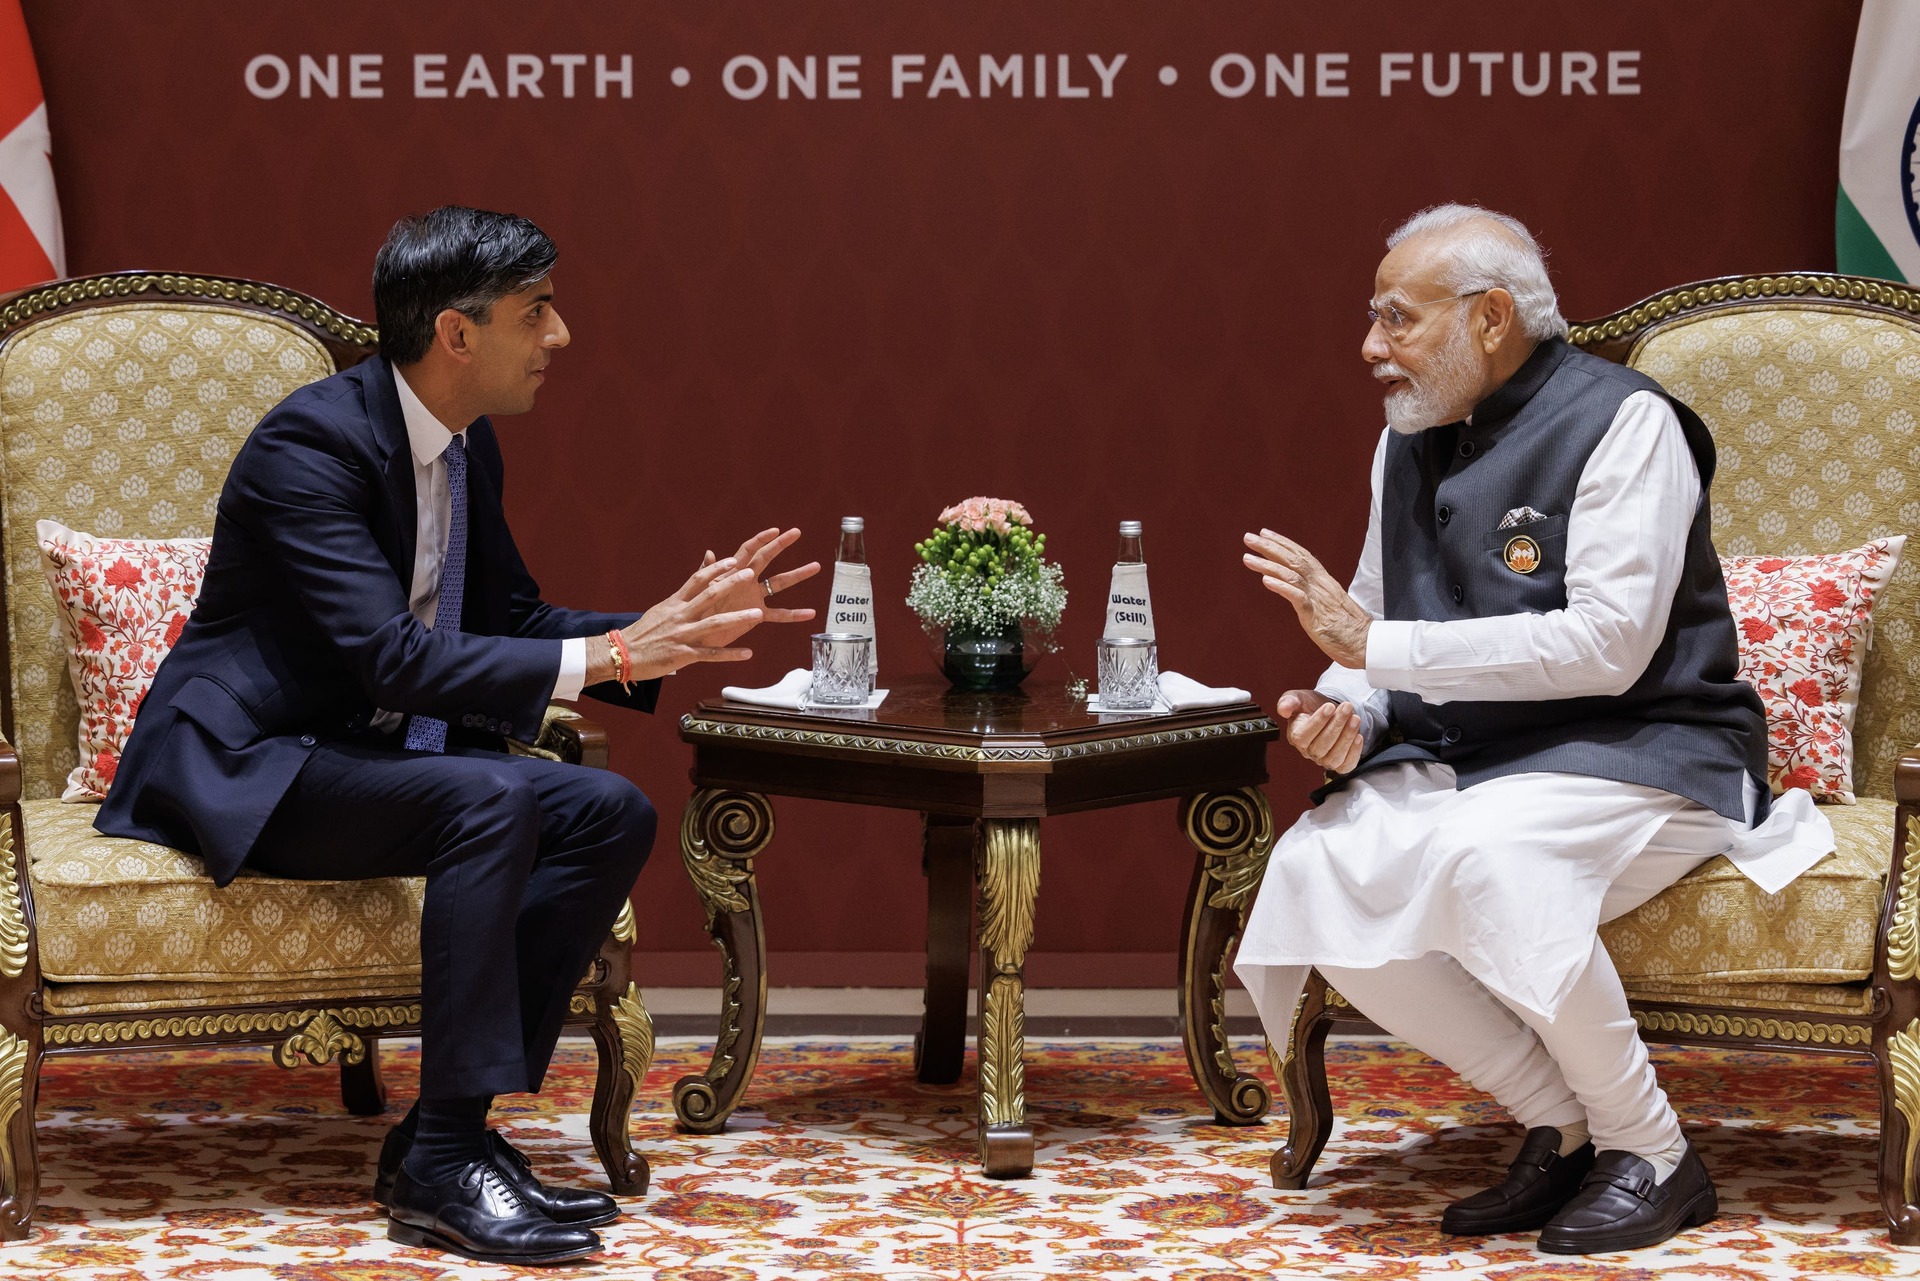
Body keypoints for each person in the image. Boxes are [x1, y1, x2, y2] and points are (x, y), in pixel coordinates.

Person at [96, 206, 820, 1265]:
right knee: (493, 796)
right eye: (539, 312)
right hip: (252, 761)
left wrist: (664, 633)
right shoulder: (312, 444)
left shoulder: (462, 450)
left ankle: (449, 1136)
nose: (560, 337)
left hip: (358, 756)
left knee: (608, 809)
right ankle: (442, 1163)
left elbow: (507, 622)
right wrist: (618, 657)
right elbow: (388, 659)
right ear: (457, 335)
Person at [1234, 203, 1833, 1255]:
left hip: (1654, 749)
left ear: (1493, 317)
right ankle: (1557, 1122)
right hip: (1486, 757)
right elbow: (1377, 614)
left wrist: (1379, 654)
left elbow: (1610, 645)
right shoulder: (1406, 439)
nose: (1371, 348)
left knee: (1486, 859)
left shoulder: (1628, 424)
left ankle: (1654, 1152)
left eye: (1397, 319)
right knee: (1320, 868)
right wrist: (1350, 711)